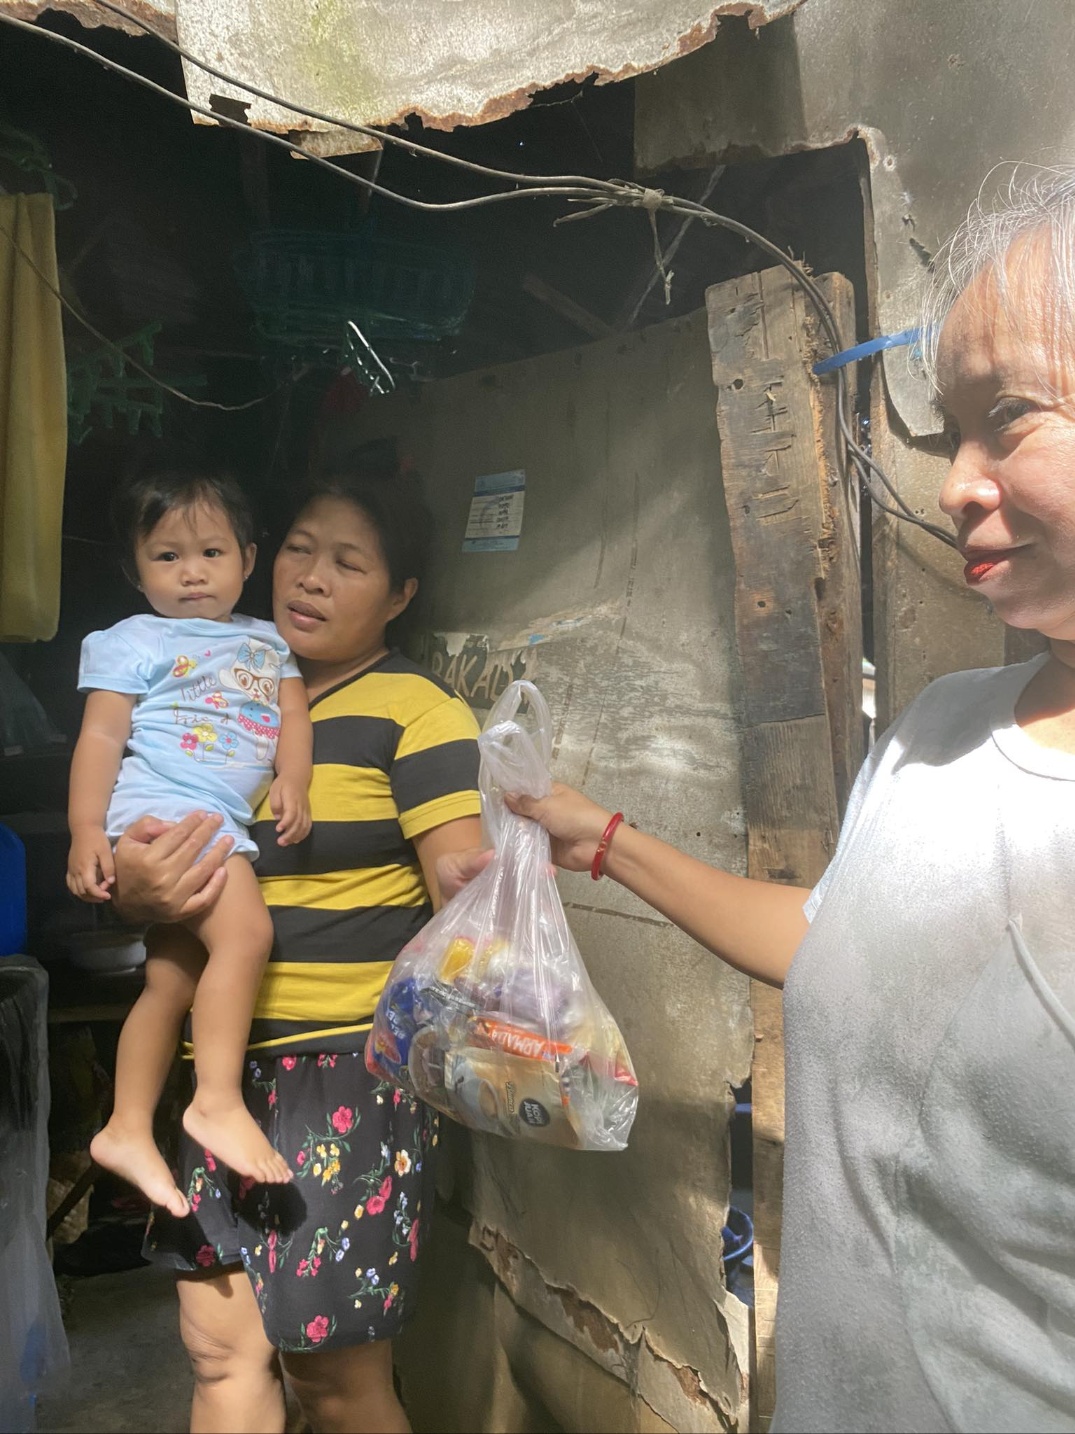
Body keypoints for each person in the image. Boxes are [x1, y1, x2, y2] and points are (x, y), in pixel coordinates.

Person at [507, 169, 1075, 1432]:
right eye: (952, 431)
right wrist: (602, 839)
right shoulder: (942, 726)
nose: (954, 484)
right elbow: (833, 944)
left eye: (1010, 417)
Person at [109, 443, 485, 1434]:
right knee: (219, 1356)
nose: (311, 578)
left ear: (399, 595)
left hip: (345, 1075)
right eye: (300, 550)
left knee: (333, 1381)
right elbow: (149, 856)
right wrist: (131, 887)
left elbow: (465, 904)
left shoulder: (415, 712)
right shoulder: (213, 691)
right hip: (219, 1077)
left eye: (348, 563)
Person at [69, 464, 310, 1209]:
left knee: (171, 980)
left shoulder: (269, 643)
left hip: (219, 817)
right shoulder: (131, 639)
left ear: (247, 558)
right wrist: (85, 828)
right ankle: (215, 1099)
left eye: (211, 552)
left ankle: (126, 1127)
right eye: (167, 556)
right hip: (169, 810)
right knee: (247, 936)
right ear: (134, 571)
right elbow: (101, 738)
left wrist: (294, 778)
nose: (192, 572)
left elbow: (292, 717)